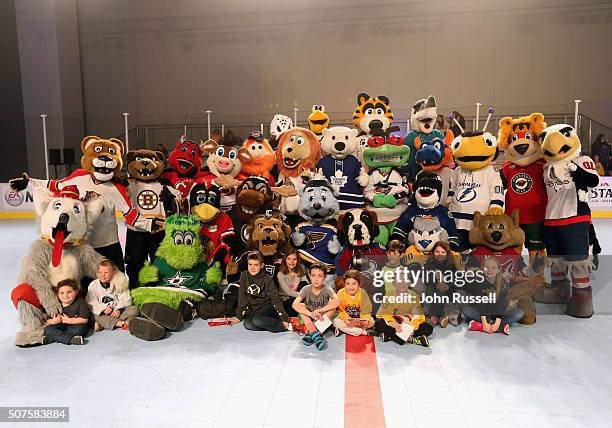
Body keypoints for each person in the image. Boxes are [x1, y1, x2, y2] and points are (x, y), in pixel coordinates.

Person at [229, 251, 291, 332]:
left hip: (269, 306)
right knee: (247, 324)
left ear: (262, 265)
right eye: (250, 264)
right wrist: (239, 315)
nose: (252, 268)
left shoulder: (267, 278)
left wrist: (283, 317)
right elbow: (242, 296)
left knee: (257, 320)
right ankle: (268, 323)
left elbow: (275, 298)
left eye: (256, 265)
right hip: (255, 308)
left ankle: (285, 326)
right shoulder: (244, 275)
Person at [375, 262, 432, 347]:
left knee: (428, 327)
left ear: (409, 283)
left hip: (408, 322)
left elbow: (419, 316)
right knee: (378, 324)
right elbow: (382, 313)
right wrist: (393, 323)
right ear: (393, 283)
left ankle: (391, 337)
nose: (402, 283)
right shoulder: (389, 294)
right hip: (395, 323)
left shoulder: (413, 295)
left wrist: (412, 326)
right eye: (398, 280)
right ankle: (411, 339)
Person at [462, 257, 523, 335]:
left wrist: (497, 323)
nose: (490, 270)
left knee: (519, 313)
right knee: (466, 310)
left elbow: (500, 306)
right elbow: (480, 305)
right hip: (481, 314)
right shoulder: (477, 282)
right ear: (482, 269)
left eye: (493, 267)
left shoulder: (503, 284)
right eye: (487, 267)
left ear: (498, 270)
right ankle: (499, 327)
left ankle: (484, 326)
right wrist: (484, 322)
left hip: (497, 314)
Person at [292, 264, 340, 350]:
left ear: (324, 277)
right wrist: (310, 314)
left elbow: (337, 301)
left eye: (320, 276)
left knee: (333, 307)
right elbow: (295, 304)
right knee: (301, 306)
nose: (316, 279)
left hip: (322, 319)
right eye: (313, 275)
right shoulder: (306, 289)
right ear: (309, 276)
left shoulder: (327, 288)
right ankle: (316, 335)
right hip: (310, 319)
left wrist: (320, 311)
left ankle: (312, 333)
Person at [85, 260, 139, 331]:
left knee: (135, 309)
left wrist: (118, 309)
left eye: (106, 273)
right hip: (103, 313)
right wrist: (104, 308)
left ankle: (104, 324)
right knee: (94, 314)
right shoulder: (93, 285)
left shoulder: (119, 282)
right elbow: (91, 302)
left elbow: (126, 299)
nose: (102, 275)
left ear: (113, 273)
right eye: (100, 272)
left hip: (116, 312)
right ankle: (122, 324)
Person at [424, 241, 461, 327]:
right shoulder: (429, 265)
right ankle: (441, 316)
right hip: (433, 290)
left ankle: (433, 316)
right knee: (430, 288)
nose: (440, 254)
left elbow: (455, 281)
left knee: (442, 292)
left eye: (443, 252)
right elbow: (427, 279)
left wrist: (447, 286)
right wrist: (436, 284)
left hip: (447, 291)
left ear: (447, 254)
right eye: (437, 251)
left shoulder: (451, 266)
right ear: (433, 253)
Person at [43, 279, 90, 345]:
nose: (65, 295)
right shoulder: (56, 304)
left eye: (69, 292)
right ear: (58, 295)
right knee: (47, 329)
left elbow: (84, 320)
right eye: (62, 293)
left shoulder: (80, 301)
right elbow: (48, 320)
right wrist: (54, 321)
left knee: (81, 329)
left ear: (75, 292)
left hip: (76, 325)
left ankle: (53, 338)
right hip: (61, 327)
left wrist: (68, 320)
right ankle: (71, 339)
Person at [333, 270, 375, 336]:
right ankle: (363, 332)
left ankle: (347, 330)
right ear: (344, 284)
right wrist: (346, 319)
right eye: (348, 283)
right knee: (336, 322)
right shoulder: (340, 293)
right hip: (347, 320)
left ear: (359, 284)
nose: (351, 287)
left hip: (359, 319)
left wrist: (364, 320)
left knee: (372, 321)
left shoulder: (363, 293)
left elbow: (366, 310)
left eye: (354, 284)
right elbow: (341, 310)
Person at [277, 249, 308, 316]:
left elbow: (307, 285)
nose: (291, 262)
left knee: (304, 284)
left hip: (298, 298)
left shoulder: (300, 270)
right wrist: (305, 295)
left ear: (298, 260)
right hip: (286, 299)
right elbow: (288, 292)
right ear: (285, 260)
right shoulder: (280, 274)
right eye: (289, 259)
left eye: (294, 259)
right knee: (293, 314)